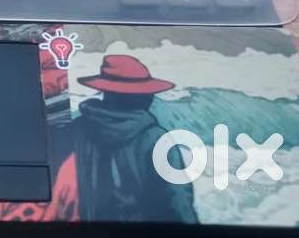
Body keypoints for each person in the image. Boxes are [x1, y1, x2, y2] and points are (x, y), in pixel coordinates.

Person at [51, 54, 198, 223]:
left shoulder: (75, 130)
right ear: (142, 98)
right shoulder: (156, 138)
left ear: (106, 93)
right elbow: (177, 202)